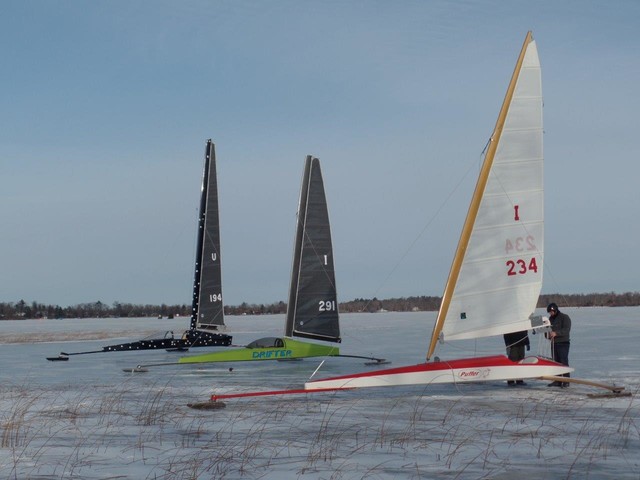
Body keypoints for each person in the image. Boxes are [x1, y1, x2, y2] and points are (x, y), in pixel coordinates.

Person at [546, 302, 572, 387]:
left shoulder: (564, 317)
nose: (551, 313)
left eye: (552, 311)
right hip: (554, 343)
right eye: (549, 312)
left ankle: (566, 380)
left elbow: (566, 330)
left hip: (563, 343)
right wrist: (547, 334)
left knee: (563, 361)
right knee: (555, 362)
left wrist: (556, 333)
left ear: (555, 310)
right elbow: (548, 331)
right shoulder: (550, 319)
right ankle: (557, 380)